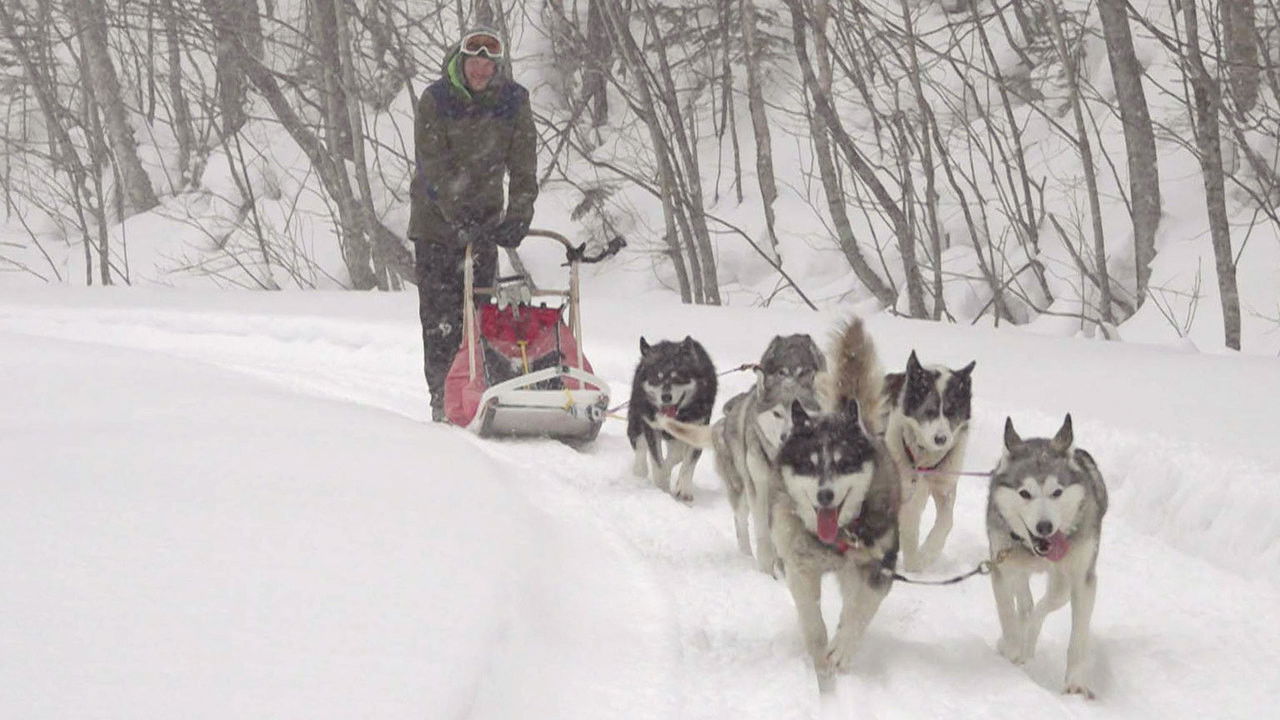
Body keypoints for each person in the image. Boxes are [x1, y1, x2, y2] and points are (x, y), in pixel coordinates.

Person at [408, 28, 538, 422]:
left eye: (487, 63)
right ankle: (443, 399)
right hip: (435, 225)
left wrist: (519, 214)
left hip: (483, 225)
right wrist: (456, 214)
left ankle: (478, 389)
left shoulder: (513, 101)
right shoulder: (436, 100)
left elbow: (524, 164)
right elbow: (432, 166)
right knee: (441, 319)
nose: (480, 70)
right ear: (461, 62)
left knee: (479, 315)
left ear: (496, 66)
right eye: (474, 62)